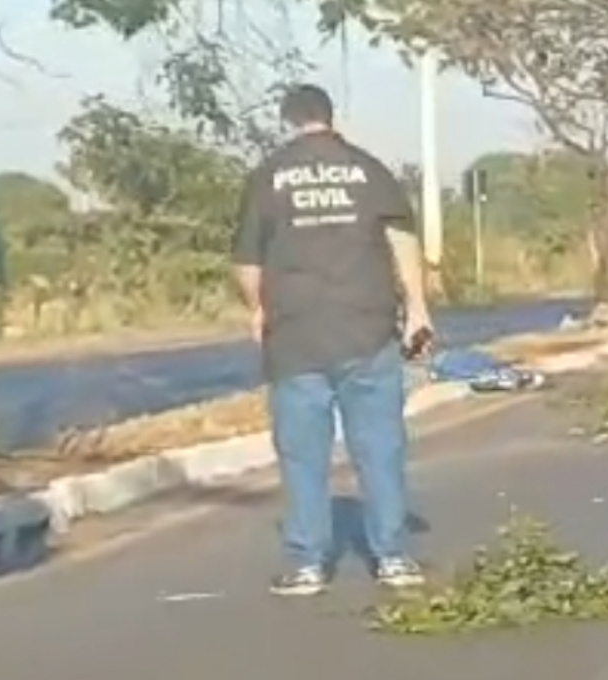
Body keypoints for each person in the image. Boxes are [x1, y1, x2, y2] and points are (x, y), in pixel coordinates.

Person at [231, 84, 434, 596]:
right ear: (329, 116)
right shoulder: (368, 169)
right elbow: (402, 239)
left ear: (289, 119)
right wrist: (418, 310)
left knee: (303, 455)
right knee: (380, 447)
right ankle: (393, 559)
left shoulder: (268, 176)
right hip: (367, 327)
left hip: (296, 335)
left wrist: (257, 310)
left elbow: (247, 262)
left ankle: (307, 564)